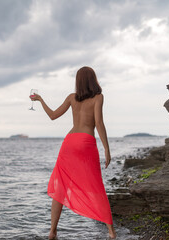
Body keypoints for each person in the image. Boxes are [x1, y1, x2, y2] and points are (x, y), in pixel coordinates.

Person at [30, 66, 116, 239]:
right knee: (95, 185)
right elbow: (98, 122)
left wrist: (40, 99)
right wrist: (107, 148)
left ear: (78, 81)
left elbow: (53, 115)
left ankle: (52, 230)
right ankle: (111, 232)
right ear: (93, 80)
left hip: (69, 143)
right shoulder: (98, 97)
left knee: (60, 186)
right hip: (85, 142)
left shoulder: (71, 98)